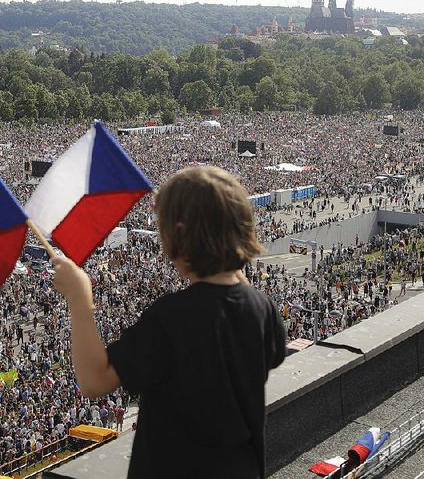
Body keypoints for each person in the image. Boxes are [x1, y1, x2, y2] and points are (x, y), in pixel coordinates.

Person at [53, 166, 287, 478]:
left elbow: (95, 381)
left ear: (177, 234)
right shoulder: (263, 309)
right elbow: (268, 350)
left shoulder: (170, 319)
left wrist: (79, 298)